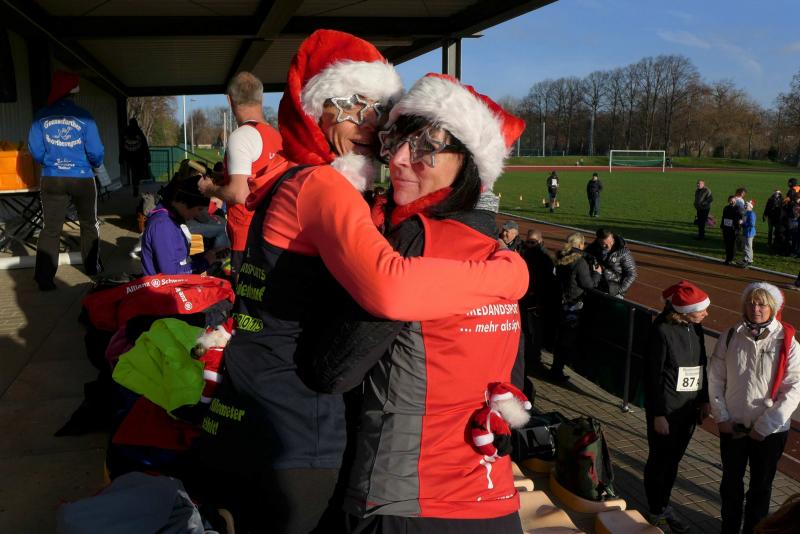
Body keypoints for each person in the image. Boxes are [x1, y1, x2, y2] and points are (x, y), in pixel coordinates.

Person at [194, 31, 528, 534]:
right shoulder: (325, 185)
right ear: (318, 110)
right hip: (294, 428)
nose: (373, 131)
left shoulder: (306, 182)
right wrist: (509, 273)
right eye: (356, 108)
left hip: (271, 415)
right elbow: (388, 291)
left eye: (379, 114)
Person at [305, 72, 528, 533]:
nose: (400, 159)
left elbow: (331, 370)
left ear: (468, 163)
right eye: (395, 142)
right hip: (492, 500)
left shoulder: (413, 240)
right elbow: (514, 379)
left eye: (427, 147)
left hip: (406, 499)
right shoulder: (500, 253)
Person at [709, 282, 800, 534]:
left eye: (762, 304)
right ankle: (729, 529)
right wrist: (721, 417)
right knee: (731, 484)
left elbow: (793, 390)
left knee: (760, 488)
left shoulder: (788, 342)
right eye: (751, 303)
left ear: (773, 307)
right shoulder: (730, 335)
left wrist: (764, 427)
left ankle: (754, 530)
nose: (755, 309)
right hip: (734, 425)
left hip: (770, 432)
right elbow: (715, 378)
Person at [198, 71, 283, 280]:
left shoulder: (241, 136)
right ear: (261, 98)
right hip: (272, 230)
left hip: (246, 236)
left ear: (230, 100)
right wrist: (225, 178)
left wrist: (209, 189)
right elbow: (257, 177)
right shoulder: (276, 136)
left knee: (245, 293)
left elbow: (239, 193)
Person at [643, 281, 711, 533]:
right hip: (667, 410)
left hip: (688, 408)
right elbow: (652, 376)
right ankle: (655, 509)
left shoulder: (696, 328)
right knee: (660, 461)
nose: (706, 313)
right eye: (701, 309)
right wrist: (658, 414)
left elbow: (702, 364)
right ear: (685, 311)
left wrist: (704, 398)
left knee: (673, 461)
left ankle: (664, 504)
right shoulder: (661, 331)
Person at [27, 71, 104, 291]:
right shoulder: (84, 117)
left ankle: (44, 279)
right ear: (74, 93)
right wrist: (93, 163)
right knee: (89, 223)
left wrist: (50, 162)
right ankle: (92, 268)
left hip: (52, 177)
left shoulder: (41, 116)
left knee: (51, 228)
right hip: (82, 177)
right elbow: (96, 151)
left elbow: (35, 149)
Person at [140, 160, 227, 276]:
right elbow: (171, 274)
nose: (197, 215)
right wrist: (205, 261)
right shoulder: (162, 225)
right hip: (166, 286)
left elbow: (181, 262)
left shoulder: (171, 219)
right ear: (186, 202)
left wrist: (208, 255)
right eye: (199, 209)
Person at [551, 232, 601, 381]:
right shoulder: (580, 262)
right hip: (573, 305)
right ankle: (557, 370)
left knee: (561, 336)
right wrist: (597, 274)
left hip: (561, 302)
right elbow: (588, 285)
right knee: (567, 338)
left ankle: (557, 367)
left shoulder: (561, 257)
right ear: (580, 245)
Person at [521, 229, 558, 373]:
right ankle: (528, 356)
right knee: (527, 328)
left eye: (533, 242)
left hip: (537, 300)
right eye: (528, 242)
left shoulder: (545, 257)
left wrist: (537, 295)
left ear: (540, 241)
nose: (529, 244)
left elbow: (547, 280)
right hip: (527, 297)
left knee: (535, 330)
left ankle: (534, 358)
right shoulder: (526, 253)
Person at [585, 228, 637, 298]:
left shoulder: (623, 252)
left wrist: (619, 290)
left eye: (611, 242)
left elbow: (632, 273)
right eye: (604, 244)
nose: (609, 246)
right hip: (595, 287)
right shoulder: (591, 249)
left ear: (613, 237)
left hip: (613, 290)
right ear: (598, 241)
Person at [119, 117, 150, 197]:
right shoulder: (139, 132)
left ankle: (135, 186)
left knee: (133, 172)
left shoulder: (125, 132)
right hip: (139, 157)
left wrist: (121, 158)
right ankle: (136, 186)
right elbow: (145, 145)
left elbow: (122, 146)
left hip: (129, 157)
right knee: (137, 173)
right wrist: (148, 157)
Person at [721, 195, 743, 265]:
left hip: (734, 229)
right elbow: (723, 217)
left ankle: (731, 259)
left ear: (735, 201)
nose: (732, 202)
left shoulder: (738, 208)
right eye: (730, 201)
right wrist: (722, 227)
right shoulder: (726, 208)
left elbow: (740, 218)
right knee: (727, 244)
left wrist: (738, 228)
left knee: (733, 245)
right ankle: (727, 258)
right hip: (726, 229)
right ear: (728, 201)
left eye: (733, 201)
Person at [740, 201, 756, 268]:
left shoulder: (751, 213)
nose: (745, 206)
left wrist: (743, 223)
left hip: (749, 233)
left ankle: (749, 260)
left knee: (748, 247)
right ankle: (745, 259)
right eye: (745, 205)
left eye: (747, 205)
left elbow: (752, 224)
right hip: (745, 232)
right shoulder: (745, 213)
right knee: (744, 246)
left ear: (750, 206)